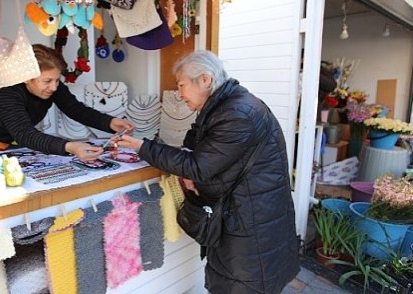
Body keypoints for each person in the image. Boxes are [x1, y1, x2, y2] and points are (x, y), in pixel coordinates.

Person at [116, 50, 300, 293]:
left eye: (182, 85)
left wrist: (143, 147)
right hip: (247, 216)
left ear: (205, 80)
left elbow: (200, 166)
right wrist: (189, 173)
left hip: (252, 224)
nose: (179, 94)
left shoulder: (237, 113)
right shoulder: (223, 106)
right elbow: (198, 148)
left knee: (240, 285)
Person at [0, 44, 134, 161]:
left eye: (57, 80)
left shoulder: (53, 85)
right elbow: (25, 133)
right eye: (47, 81)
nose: (53, 87)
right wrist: (69, 146)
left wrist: (110, 123)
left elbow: (76, 110)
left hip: (13, 138)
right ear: (26, 78)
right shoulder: (4, 90)